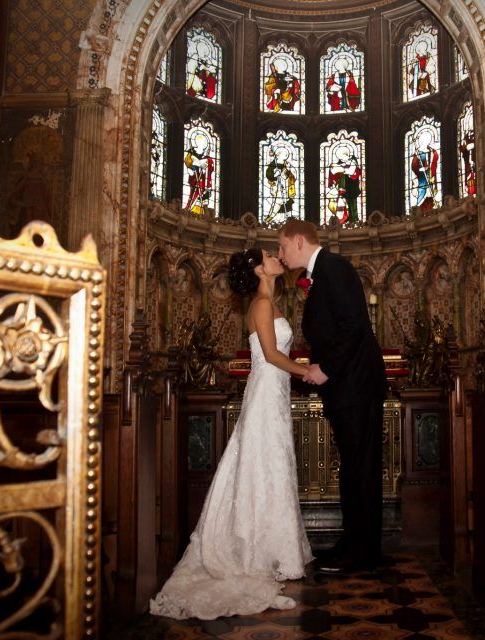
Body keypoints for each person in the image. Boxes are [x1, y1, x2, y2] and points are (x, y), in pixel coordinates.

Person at [149, 248, 313, 620]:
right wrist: (308, 371)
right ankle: (258, 550)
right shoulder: (260, 303)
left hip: (275, 391)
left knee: (273, 464)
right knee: (263, 463)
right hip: (267, 390)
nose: (276, 257)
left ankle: (273, 548)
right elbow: (271, 355)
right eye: (270, 255)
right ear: (259, 269)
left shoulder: (269, 300)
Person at [277, 218, 387, 573]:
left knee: (361, 468)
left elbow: (354, 326)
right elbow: (336, 328)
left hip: (355, 384)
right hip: (348, 385)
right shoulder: (321, 271)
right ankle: (352, 541)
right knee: (354, 468)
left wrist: (325, 368)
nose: (280, 255)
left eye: (281, 247)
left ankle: (364, 552)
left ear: (297, 241)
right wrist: (320, 363)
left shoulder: (333, 267)